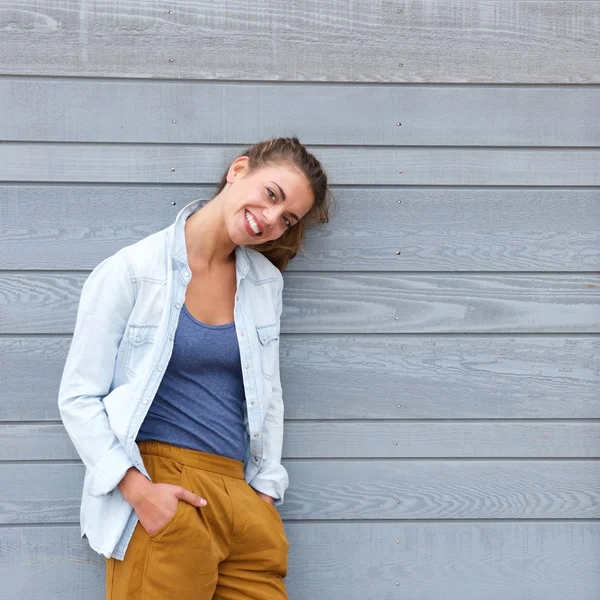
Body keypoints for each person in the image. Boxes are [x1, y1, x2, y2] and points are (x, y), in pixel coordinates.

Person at [57, 137, 331, 599]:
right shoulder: (132, 270)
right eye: (272, 195)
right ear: (239, 170)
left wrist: (262, 496)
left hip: (239, 499)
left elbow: (269, 395)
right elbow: (79, 397)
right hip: (165, 489)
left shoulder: (264, 284)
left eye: (287, 219)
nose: (270, 220)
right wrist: (137, 490)